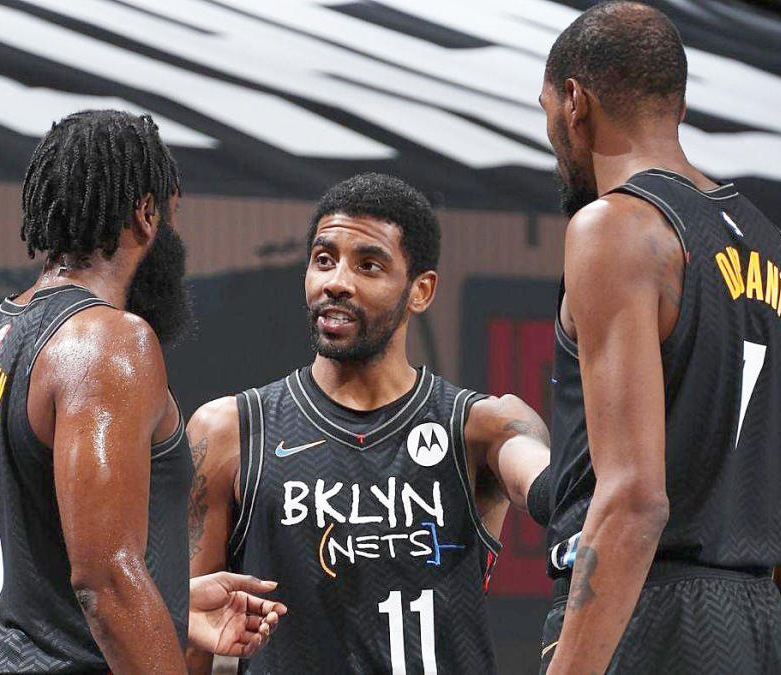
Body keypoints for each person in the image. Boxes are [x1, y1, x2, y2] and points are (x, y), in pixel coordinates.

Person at [0, 110, 284, 674]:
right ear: (147, 215)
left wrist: (170, 607)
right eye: (171, 216)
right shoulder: (109, 342)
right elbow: (105, 582)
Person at [535, 3, 781, 673]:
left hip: (645, 619)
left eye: (547, 113)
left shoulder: (613, 227)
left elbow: (635, 500)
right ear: (675, 106)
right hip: (761, 629)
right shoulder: (774, 249)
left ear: (574, 102)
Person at [184, 173, 551, 674]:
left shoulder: (482, 426)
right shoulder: (231, 430)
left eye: (368, 265)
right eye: (323, 259)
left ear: (420, 290)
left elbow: (553, 486)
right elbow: (188, 636)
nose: (337, 281)